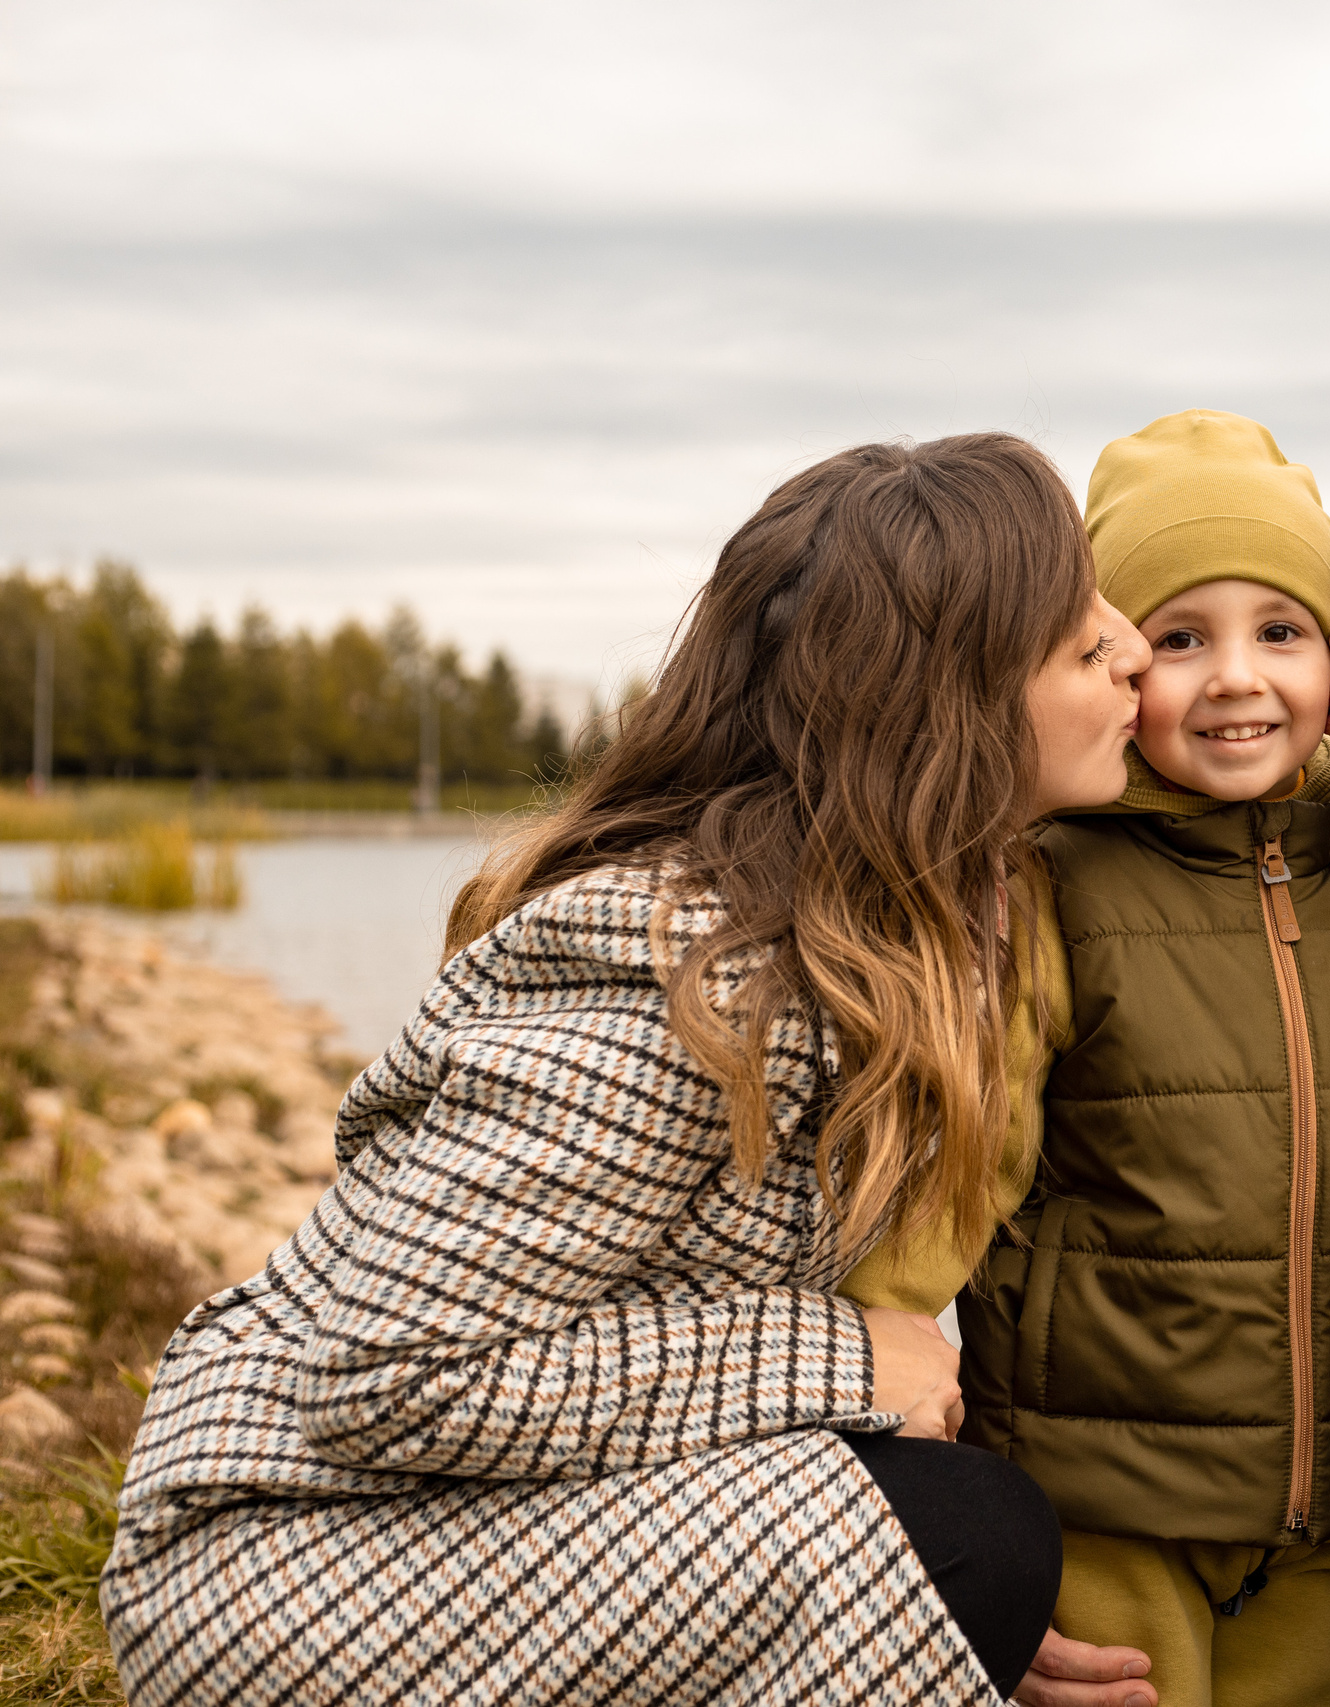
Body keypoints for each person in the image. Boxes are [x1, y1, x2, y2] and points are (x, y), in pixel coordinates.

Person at [100, 434, 1152, 1707]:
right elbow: (390, 1377)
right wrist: (843, 1362)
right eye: (1087, 648)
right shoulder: (681, 984)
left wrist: (932, 1623)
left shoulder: (877, 927)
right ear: (955, 716)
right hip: (282, 1562)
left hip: (440, 1520)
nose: (1137, 652)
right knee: (969, 1530)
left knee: (952, 1549)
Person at [846, 410, 1330, 1707]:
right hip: (1102, 1481)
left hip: (1313, 1502)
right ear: (1114, 660)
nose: (1237, 676)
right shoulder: (1053, 885)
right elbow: (973, 1147)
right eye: (1180, 638)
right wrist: (891, 1320)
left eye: (1280, 630)